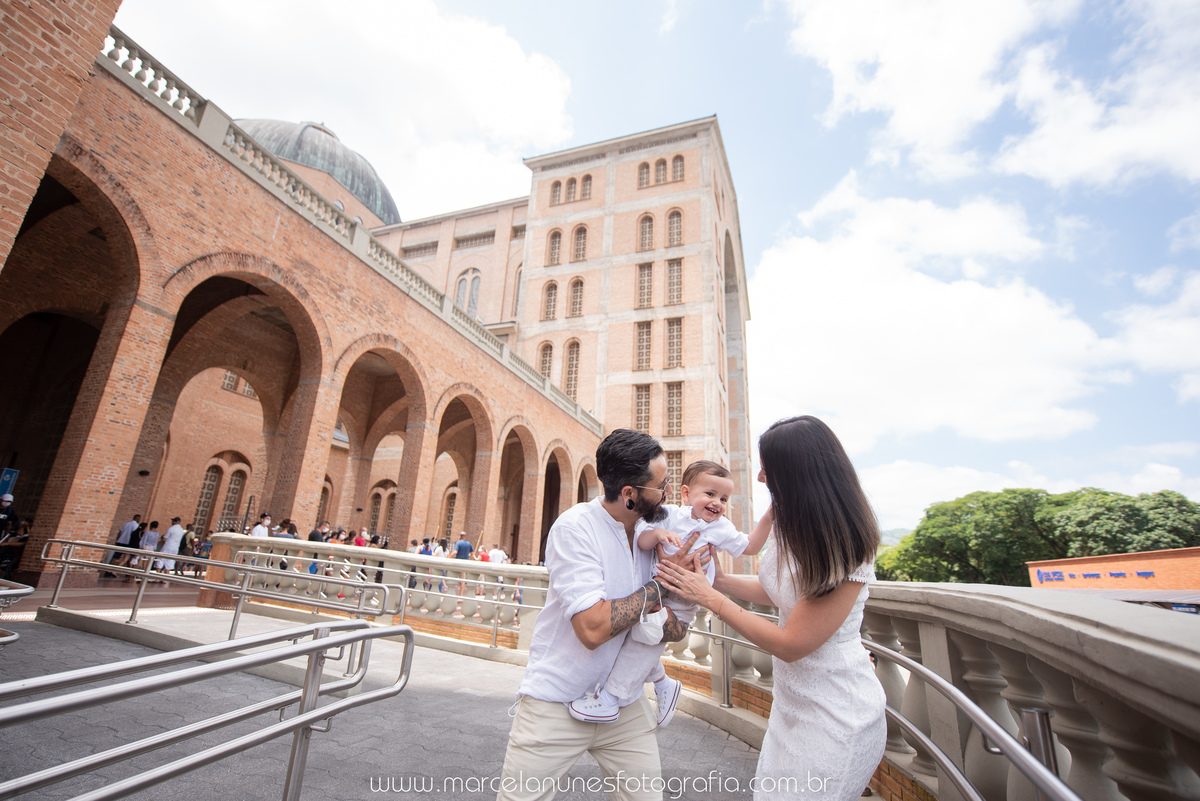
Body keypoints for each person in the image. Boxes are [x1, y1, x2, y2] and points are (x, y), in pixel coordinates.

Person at [656, 416, 886, 801]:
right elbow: (778, 590)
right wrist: (713, 579)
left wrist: (710, 597)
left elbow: (792, 643)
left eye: (768, 468)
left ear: (797, 472)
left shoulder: (848, 547)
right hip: (789, 704)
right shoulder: (787, 522)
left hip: (836, 714)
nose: (760, 477)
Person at [495, 429, 704, 801]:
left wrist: (682, 586)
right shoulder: (576, 528)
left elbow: (676, 631)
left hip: (625, 707)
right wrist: (660, 587)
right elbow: (592, 627)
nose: (668, 493)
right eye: (661, 486)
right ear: (629, 495)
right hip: (555, 702)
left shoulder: (654, 535)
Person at [568, 460, 773, 727]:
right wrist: (658, 534)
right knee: (634, 635)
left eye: (724, 498)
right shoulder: (669, 515)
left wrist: (768, 517)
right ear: (686, 494)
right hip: (656, 590)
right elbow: (642, 540)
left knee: (644, 642)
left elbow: (750, 546)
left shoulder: (721, 528)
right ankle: (664, 684)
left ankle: (611, 698)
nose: (717, 503)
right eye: (710, 494)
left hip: (685, 599)